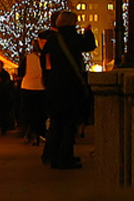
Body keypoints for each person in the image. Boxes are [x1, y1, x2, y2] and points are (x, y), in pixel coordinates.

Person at [41, 11, 95, 170]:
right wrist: (88, 33)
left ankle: (53, 156)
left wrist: (47, 79)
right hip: (71, 87)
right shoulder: (75, 39)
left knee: (56, 123)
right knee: (69, 124)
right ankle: (66, 156)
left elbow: (45, 62)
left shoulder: (52, 41)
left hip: (54, 86)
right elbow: (90, 46)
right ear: (73, 23)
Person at [18, 39, 47, 146]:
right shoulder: (46, 58)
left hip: (27, 87)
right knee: (40, 113)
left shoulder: (27, 58)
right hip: (41, 87)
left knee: (28, 112)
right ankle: (40, 133)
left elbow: (20, 71)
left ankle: (30, 132)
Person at [0, 61, 15, 135]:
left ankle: (4, 127)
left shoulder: (4, 74)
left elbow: (7, 85)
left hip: (4, 97)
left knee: (3, 113)